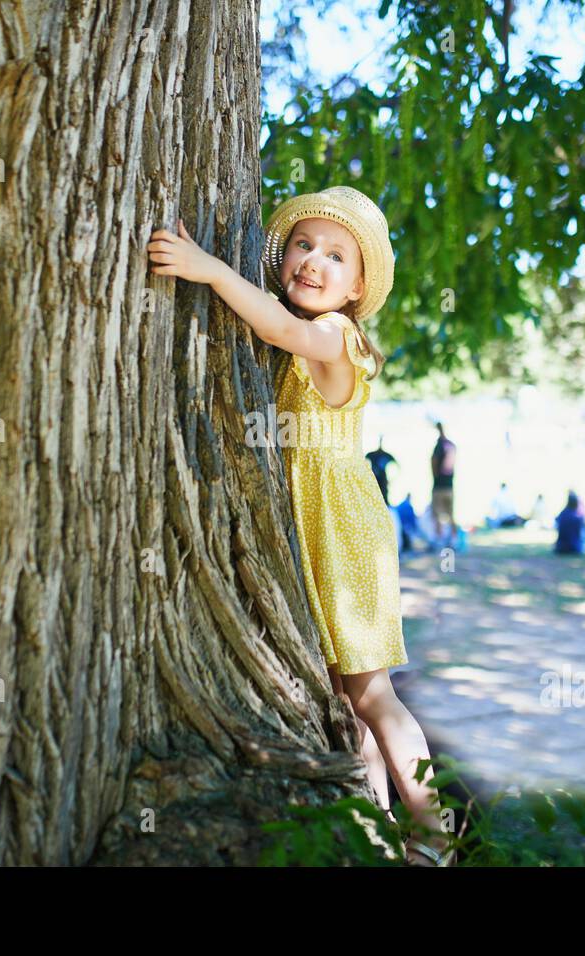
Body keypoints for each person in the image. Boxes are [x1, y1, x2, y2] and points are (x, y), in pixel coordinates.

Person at [147, 185, 452, 865]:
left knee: (373, 693)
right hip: (319, 525)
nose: (313, 260)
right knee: (346, 700)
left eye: (336, 255)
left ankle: (436, 832)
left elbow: (282, 328)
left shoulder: (333, 335)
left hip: (344, 529)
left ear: (357, 287)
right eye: (303, 245)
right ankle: (375, 822)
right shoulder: (314, 332)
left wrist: (210, 269)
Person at [430, 422, 457, 550]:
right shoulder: (451, 445)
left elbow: (434, 464)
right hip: (449, 485)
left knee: (438, 514)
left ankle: (440, 539)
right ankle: (453, 539)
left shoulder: (439, 446)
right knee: (451, 514)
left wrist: (435, 476)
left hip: (439, 486)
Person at [365, 435, 397, 506]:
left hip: (383, 483)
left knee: (383, 501)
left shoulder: (387, 455)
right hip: (373, 481)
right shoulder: (371, 455)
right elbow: (362, 462)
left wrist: (391, 479)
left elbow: (397, 466)